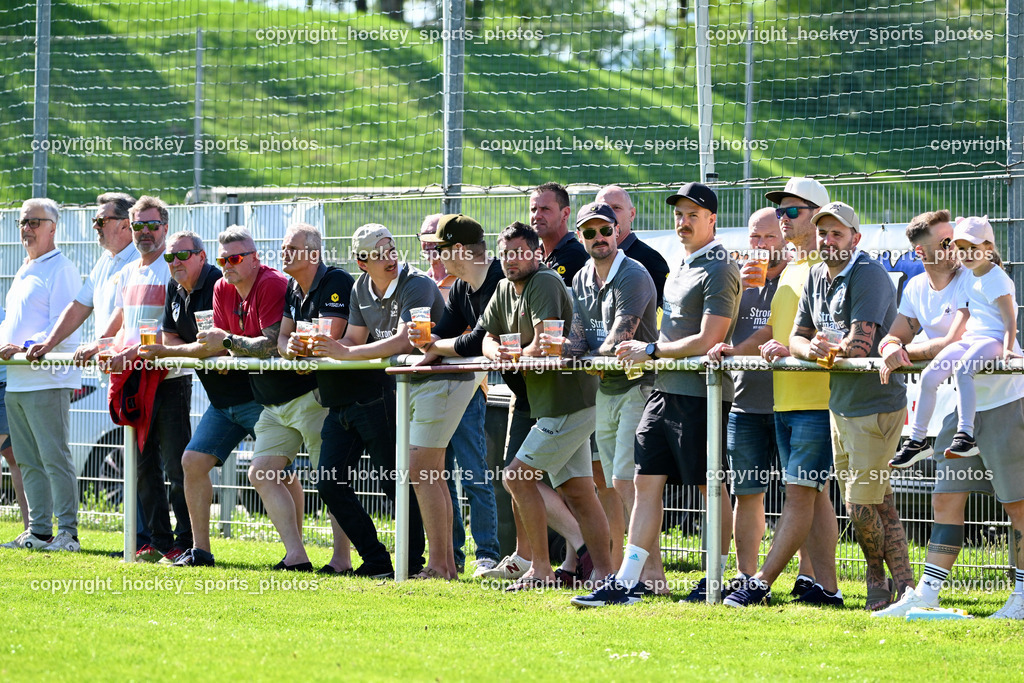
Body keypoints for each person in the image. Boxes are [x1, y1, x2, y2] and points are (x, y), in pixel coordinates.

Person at [572, 182, 739, 608]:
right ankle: (630, 581)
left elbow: (709, 338)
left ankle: (716, 577)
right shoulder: (683, 264)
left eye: (693, 215)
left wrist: (650, 350)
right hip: (663, 390)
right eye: (679, 214)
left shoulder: (720, 266)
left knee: (710, 488)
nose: (683, 222)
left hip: (702, 394)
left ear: (712, 220)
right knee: (643, 485)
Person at [872, 210, 1024, 619]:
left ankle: (1023, 598)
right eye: (947, 242)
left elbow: (953, 341)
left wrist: (906, 352)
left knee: (1017, 505)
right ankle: (928, 593)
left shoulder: (976, 276)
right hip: (964, 411)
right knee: (945, 498)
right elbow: (896, 334)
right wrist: (889, 347)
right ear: (923, 251)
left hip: (1007, 403)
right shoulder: (919, 286)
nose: (955, 249)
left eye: (957, 241)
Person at [316, 223, 472, 580]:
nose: (389, 257)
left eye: (391, 248)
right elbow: (355, 340)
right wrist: (333, 350)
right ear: (361, 261)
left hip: (441, 383)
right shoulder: (359, 288)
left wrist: (342, 353)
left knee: (426, 476)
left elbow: (405, 341)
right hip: (404, 389)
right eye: (378, 252)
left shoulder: (416, 283)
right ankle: (401, 562)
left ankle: (434, 564)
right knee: (408, 476)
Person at [721, 179, 842, 608]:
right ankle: (827, 589)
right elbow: (777, 330)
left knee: (801, 494)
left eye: (792, 212)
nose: (783, 219)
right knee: (815, 496)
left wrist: (791, 346)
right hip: (784, 398)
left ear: (818, 216)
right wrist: (734, 349)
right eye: (780, 212)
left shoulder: (828, 265)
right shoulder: (791, 267)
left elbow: (830, 333)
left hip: (816, 398)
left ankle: (761, 583)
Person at [790, 201, 913, 611]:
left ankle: (877, 579)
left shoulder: (869, 274)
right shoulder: (814, 275)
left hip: (876, 403)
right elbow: (797, 337)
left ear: (855, 238)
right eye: (823, 233)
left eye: (837, 234)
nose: (828, 241)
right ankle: (906, 588)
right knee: (876, 502)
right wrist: (815, 348)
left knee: (859, 506)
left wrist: (824, 349)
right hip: (840, 404)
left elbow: (860, 345)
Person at [480, 221, 614, 590]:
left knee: (516, 477)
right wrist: (498, 353)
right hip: (550, 404)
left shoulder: (544, 282)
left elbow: (544, 343)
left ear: (537, 253)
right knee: (578, 490)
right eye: (505, 253)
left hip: (570, 402)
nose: (512, 260)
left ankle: (541, 570)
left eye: (520, 252)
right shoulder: (504, 287)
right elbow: (487, 337)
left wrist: (512, 357)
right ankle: (604, 571)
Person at [193, 226, 321, 571]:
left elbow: (268, 344)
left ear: (254, 259)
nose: (227, 265)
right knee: (260, 471)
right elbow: (221, 344)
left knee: (331, 477)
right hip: (268, 399)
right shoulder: (222, 286)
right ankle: (295, 556)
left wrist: (231, 346)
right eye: (222, 259)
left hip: (304, 392)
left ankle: (347, 559)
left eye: (234, 258)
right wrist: (226, 352)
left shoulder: (272, 283)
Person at [26, 192, 145, 549]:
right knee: (133, 457)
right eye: (95, 221)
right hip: (114, 373)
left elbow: (130, 316)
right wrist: (48, 342)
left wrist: (102, 345)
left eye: (101, 220)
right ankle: (141, 538)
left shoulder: (140, 261)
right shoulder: (104, 262)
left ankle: (149, 539)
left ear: (125, 224)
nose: (96, 227)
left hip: (139, 370)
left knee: (145, 458)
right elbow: (80, 306)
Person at [137, 230, 256, 568]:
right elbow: (173, 336)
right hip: (221, 402)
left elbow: (213, 345)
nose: (175, 262)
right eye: (169, 257)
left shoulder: (219, 282)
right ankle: (200, 552)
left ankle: (299, 555)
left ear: (202, 257)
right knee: (192, 462)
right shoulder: (175, 288)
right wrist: (187, 351)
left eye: (183, 255)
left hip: (256, 396)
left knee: (274, 470)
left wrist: (177, 351)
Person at [566, 201, 657, 571]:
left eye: (606, 230)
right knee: (609, 486)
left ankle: (650, 572)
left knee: (627, 484)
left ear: (618, 231)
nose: (599, 237)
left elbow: (621, 340)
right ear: (580, 237)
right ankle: (619, 570)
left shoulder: (633, 274)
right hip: (606, 388)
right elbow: (574, 341)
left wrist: (579, 353)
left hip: (641, 387)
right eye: (590, 232)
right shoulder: (580, 278)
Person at [104, 195, 193, 563]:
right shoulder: (127, 272)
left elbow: (178, 332)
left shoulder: (172, 269)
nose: (144, 232)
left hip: (170, 378)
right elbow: (122, 324)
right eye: (137, 225)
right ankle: (158, 540)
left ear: (165, 227)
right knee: (142, 465)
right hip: (134, 381)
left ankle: (189, 542)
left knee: (176, 465)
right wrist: (102, 347)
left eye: (151, 225)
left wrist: (136, 350)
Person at [891, 215, 1020, 467]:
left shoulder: (996, 278)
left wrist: (1007, 350)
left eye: (973, 247)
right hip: (973, 340)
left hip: (992, 343)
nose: (962, 253)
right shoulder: (968, 277)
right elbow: (958, 329)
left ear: (988, 248)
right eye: (959, 247)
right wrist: (891, 347)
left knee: (963, 370)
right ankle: (917, 440)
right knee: (929, 376)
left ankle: (966, 435)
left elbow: (1010, 319)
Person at [416, 214, 501, 576]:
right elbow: (445, 335)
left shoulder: (500, 280)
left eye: (442, 249)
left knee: (490, 475)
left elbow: (474, 341)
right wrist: (423, 348)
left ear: (461, 250)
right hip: (520, 389)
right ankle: (452, 561)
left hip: (551, 390)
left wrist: (438, 345)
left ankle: (491, 556)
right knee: (523, 478)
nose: (437, 256)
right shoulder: (463, 287)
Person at [706, 208, 787, 582]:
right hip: (745, 401)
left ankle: (809, 577)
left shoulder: (798, 278)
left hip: (793, 403)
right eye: (755, 237)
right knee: (747, 491)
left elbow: (772, 334)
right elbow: (716, 329)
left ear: (784, 237)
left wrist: (735, 352)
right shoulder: (737, 277)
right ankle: (744, 575)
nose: (760, 245)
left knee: (803, 496)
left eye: (769, 237)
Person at [0, 198, 82, 551]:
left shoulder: (61, 268)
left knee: (54, 457)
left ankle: (67, 533)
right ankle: (38, 530)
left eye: (34, 222)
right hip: (16, 379)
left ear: (53, 227)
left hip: (46, 378)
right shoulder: (24, 269)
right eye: (22, 222)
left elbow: (63, 324)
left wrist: (26, 347)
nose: (26, 228)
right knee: (28, 459)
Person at [276, 223, 354, 574]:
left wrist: (298, 348)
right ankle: (328, 558)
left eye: (291, 248)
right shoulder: (292, 287)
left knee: (334, 479)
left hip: (347, 395)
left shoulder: (336, 281)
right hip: (316, 394)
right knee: (329, 479)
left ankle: (344, 559)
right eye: (283, 247)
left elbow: (330, 335)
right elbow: (283, 339)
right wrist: (290, 349)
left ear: (313, 254)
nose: (284, 253)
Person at [594, 185, 670, 307]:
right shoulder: (591, 258)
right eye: (603, 208)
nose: (608, 214)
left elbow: (663, 314)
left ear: (632, 214)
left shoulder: (650, 260)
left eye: (616, 208)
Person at [530, 182, 588, 286]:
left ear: (565, 214)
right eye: (533, 209)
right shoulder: (533, 253)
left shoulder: (575, 255)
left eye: (545, 209)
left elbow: (547, 295)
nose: (537, 216)